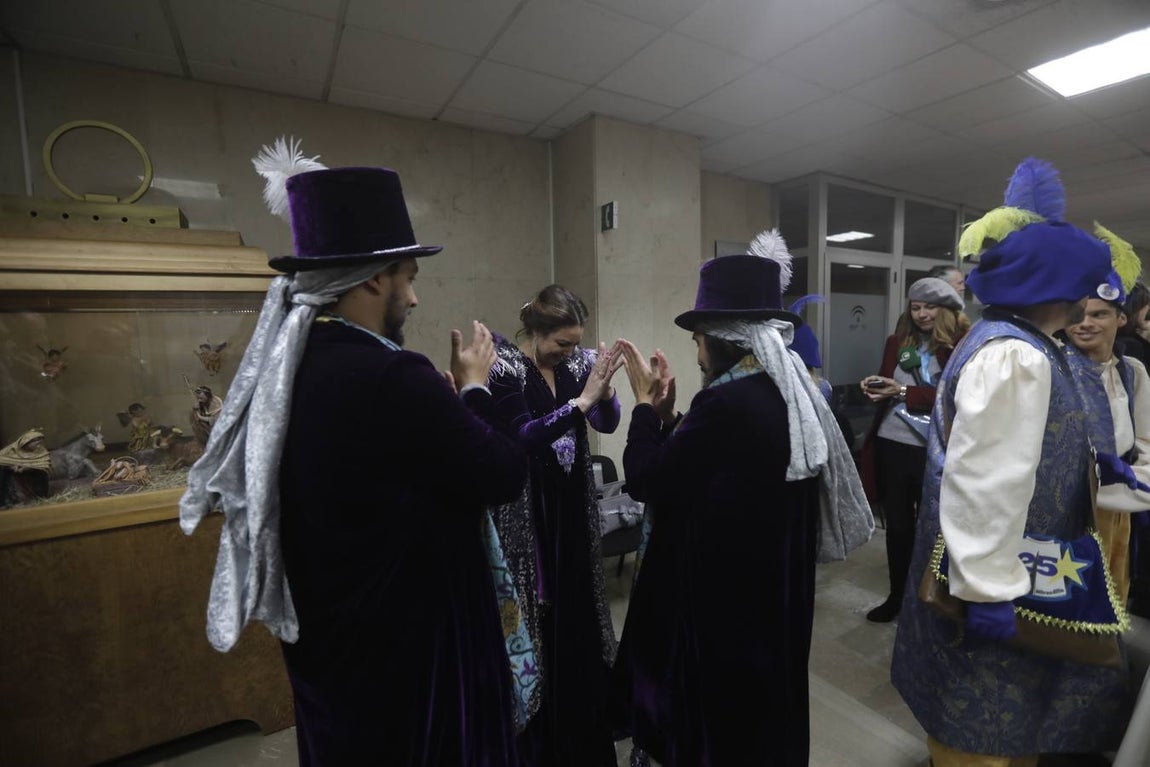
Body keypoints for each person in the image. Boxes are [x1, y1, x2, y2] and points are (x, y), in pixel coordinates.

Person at [180, 157, 528, 765]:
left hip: (329, 648)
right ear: (372, 279)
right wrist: (477, 390)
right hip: (406, 660)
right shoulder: (395, 374)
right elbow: (502, 473)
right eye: (408, 278)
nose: (413, 297)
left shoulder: (287, 370)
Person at [612, 230, 872, 766]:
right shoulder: (783, 393)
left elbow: (648, 479)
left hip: (727, 604)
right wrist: (672, 419)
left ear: (722, 338)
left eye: (698, 340)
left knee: (725, 719)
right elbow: (714, 464)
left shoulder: (726, 404)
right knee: (767, 713)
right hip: (774, 595)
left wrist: (642, 410)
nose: (696, 352)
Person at [891, 220, 1132, 765]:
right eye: (1085, 286)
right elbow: (984, 480)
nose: (1088, 300)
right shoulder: (1015, 355)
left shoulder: (1016, 342)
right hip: (996, 582)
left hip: (1016, 567)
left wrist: (1094, 464)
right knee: (981, 731)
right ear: (1058, 288)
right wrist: (987, 588)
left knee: (1009, 725)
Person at [486, 284, 623, 766]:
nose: (569, 353)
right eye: (562, 343)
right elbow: (521, 435)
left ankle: (580, 716)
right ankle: (539, 725)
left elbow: (607, 423)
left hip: (571, 506)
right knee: (537, 611)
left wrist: (606, 393)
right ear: (536, 331)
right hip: (528, 511)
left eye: (575, 344)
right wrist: (581, 403)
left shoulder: (576, 366)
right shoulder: (504, 367)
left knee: (577, 606)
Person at [858, 277, 969, 623]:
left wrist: (905, 393)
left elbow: (960, 397)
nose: (922, 314)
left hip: (935, 448)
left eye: (930, 307)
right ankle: (897, 596)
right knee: (898, 527)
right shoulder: (897, 341)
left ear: (946, 310)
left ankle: (934, 598)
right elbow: (888, 382)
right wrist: (875, 387)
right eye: (916, 307)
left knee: (937, 527)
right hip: (892, 443)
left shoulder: (962, 344)